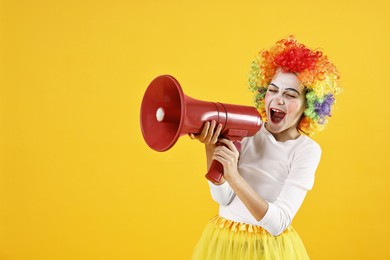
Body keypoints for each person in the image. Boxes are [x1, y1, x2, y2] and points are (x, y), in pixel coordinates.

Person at [190, 36, 341, 259]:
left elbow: (278, 223)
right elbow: (222, 198)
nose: (278, 100)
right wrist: (211, 148)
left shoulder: (306, 150)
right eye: (273, 90)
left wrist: (234, 176)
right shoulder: (248, 130)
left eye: (290, 95)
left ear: (308, 105)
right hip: (224, 243)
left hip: (267, 251)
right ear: (264, 92)